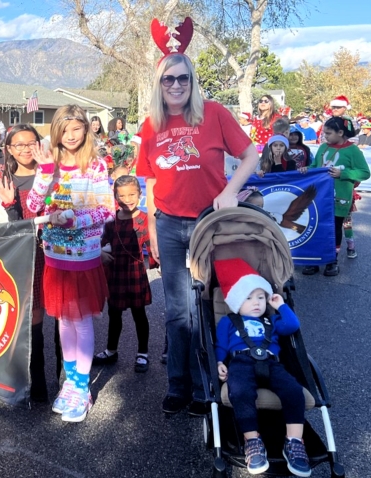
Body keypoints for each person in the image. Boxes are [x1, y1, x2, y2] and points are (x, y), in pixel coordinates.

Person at [135, 46, 259, 416]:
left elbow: (251, 154)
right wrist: (154, 228)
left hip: (210, 224)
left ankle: (205, 387)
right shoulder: (151, 125)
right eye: (168, 79)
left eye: (182, 77)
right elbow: (152, 181)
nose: (175, 85)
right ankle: (178, 386)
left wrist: (229, 191)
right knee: (177, 311)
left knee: (205, 305)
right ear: (159, 84)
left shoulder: (215, 114)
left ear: (192, 81)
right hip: (170, 225)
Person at [27, 104, 114, 423]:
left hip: (84, 255)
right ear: (56, 131)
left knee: (81, 321)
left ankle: (81, 388)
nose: (71, 135)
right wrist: (45, 173)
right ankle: (71, 385)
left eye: (77, 128)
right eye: (65, 129)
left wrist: (75, 219)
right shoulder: (49, 163)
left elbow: (107, 209)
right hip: (54, 256)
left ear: (86, 129)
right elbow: (33, 206)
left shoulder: (96, 165)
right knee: (63, 319)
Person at [214, 258, 311, 478]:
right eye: (249, 298)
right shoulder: (229, 321)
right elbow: (220, 345)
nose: (257, 302)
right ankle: (252, 440)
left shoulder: (271, 320)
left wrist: (280, 305)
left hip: (271, 361)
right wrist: (220, 362)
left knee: (294, 391)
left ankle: (294, 441)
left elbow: (292, 325)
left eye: (261, 297)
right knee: (239, 392)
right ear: (237, 302)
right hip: (240, 361)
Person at [2, 124, 50, 401]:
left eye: (30, 143)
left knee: (45, 319)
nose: (25, 149)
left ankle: (45, 382)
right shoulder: (4, 180)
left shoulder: (51, 175)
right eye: (18, 145)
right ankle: (21, 380)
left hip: (48, 253)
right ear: (9, 149)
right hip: (18, 257)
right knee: (21, 320)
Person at [94, 175, 156, 373]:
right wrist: (100, 253)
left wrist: (156, 261)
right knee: (114, 315)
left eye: (132, 194)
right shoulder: (111, 222)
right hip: (116, 274)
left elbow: (153, 246)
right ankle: (111, 351)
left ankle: (143, 353)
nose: (127, 199)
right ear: (115, 197)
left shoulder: (145, 220)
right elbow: (102, 242)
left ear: (140, 194)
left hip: (136, 273)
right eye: (122, 195)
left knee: (139, 315)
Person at [300, 117, 370, 276]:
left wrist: (343, 173)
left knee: (334, 228)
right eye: (324, 133)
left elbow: (365, 173)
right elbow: (316, 166)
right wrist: (307, 170)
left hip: (340, 198)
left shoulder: (353, 151)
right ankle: (315, 260)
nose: (325, 136)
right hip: (318, 196)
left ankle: (332, 261)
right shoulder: (323, 147)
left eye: (329, 133)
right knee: (316, 227)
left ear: (341, 132)